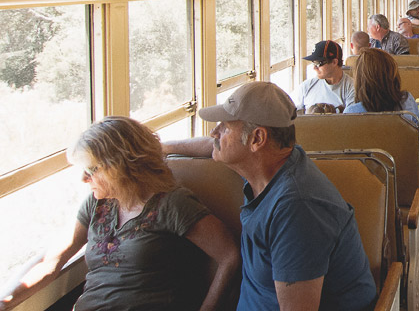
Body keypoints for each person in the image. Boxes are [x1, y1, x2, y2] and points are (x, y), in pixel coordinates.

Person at [165, 82, 377, 311]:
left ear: (257, 139)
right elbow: (212, 146)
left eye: (225, 127)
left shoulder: (298, 209)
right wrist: (162, 148)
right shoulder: (270, 164)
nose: (214, 132)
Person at [1, 117, 240, 311]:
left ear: (121, 166)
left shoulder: (173, 204)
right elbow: (51, 262)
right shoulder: (96, 205)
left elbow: (229, 256)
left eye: (91, 170)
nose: (84, 179)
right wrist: (7, 301)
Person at [344, 49, 419, 129]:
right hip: (402, 143)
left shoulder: (351, 113)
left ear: (359, 80)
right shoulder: (406, 101)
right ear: (393, 76)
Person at [292, 41, 355, 112]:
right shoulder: (306, 87)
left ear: (334, 62)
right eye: (313, 63)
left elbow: (350, 120)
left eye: (318, 63)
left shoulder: (352, 88)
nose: (314, 68)